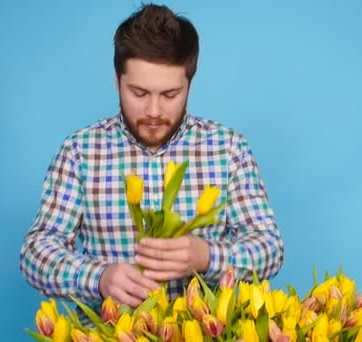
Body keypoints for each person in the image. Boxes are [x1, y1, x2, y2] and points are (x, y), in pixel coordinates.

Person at [19, 4, 284, 312]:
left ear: (189, 85)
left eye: (170, 95)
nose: (154, 111)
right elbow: (36, 253)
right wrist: (99, 278)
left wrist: (206, 257)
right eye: (139, 93)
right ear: (118, 82)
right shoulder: (80, 152)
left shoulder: (229, 150)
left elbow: (269, 248)